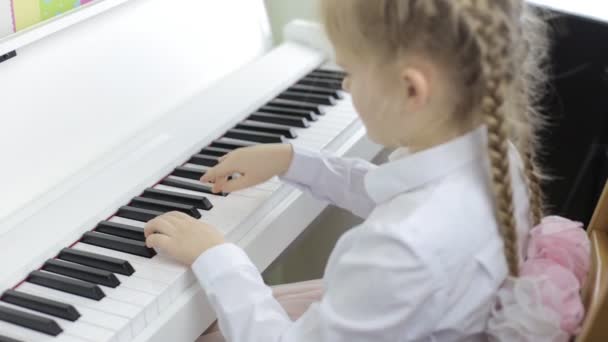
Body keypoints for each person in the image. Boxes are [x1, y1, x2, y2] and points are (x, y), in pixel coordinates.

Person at [144, 1, 586, 340]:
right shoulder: (490, 155)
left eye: (351, 71)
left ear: (411, 88)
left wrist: (215, 255)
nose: (345, 85)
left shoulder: (401, 247)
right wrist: (294, 160)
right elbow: (390, 194)